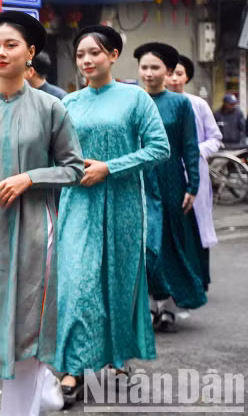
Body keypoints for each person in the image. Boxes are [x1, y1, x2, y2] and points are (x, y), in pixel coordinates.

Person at [0, 11, 83, 416]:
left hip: (34, 228)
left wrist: (29, 177)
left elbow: (74, 168)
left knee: (28, 321)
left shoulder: (51, 108)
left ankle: (21, 406)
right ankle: (43, 391)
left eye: (10, 44)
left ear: (30, 52)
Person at [54, 26, 170, 408]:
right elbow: (55, 154)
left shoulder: (135, 99)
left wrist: (111, 167)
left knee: (116, 283)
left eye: (95, 53)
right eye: (81, 54)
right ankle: (72, 368)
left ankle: (113, 355)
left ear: (114, 55)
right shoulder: (69, 103)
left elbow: (159, 149)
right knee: (78, 282)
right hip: (78, 203)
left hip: (122, 204)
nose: (87, 60)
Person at [136, 42, 207, 333]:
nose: (149, 73)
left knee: (170, 242)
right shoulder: (134, 100)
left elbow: (189, 147)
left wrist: (193, 184)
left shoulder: (180, 104)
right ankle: (151, 305)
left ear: (168, 71)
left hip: (171, 181)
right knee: (146, 243)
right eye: (144, 67)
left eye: (155, 68)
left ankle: (168, 308)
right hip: (139, 178)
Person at [167, 55, 222, 249]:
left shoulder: (198, 104)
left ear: (187, 77)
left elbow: (215, 138)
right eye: (170, 73)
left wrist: (195, 151)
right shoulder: (154, 104)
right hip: (167, 170)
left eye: (179, 74)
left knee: (197, 223)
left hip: (195, 169)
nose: (174, 78)